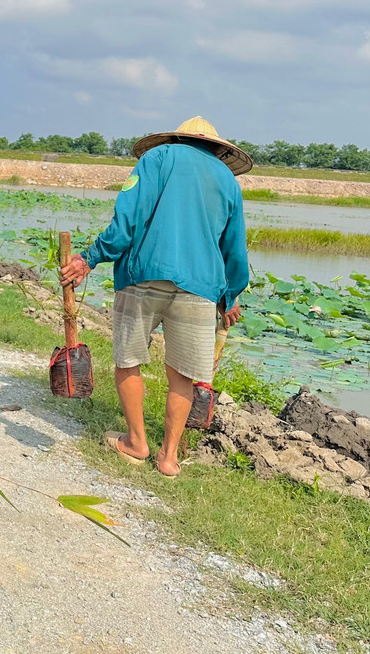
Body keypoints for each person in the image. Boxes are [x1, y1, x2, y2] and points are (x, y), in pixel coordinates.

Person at [60, 117, 251, 478]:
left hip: (143, 275)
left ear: (178, 137)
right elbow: (235, 250)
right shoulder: (227, 180)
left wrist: (90, 257)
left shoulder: (158, 158)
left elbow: (127, 220)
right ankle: (168, 457)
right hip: (200, 288)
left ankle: (136, 443)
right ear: (217, 148)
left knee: (128, 360)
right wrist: (230, 296)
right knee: (182, 375)